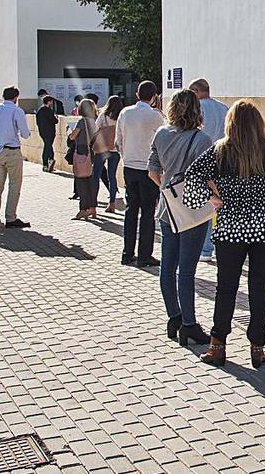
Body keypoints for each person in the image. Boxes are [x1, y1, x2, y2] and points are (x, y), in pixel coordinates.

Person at [182, 100, 265, 368]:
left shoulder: (220, 150)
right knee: (260, 287)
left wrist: (212, 196)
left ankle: (218, 345)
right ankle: (257, 348)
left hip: (230, 228)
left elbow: (191, 177)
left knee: (226, 287)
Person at [149, 89, 213, 346]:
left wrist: (167, 190)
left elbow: (152, 171)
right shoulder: (202, 139)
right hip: (193, 211)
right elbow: (208, 177)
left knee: (168, 265)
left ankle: (173, 317)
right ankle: (189, 324)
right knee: (187, 269)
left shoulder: (161, 134)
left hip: (168, 208)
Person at [116, 81, 165, 267]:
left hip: (129, 166)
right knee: (147, 212)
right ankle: (145, 255)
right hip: (148, 169)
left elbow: (118, 141)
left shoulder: (125, 113)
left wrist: (126, 157)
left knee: (131, 211)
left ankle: (127, 253)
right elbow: (162, 141)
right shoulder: (155, 116)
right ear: (154, 97)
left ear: (137, 94)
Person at [0, 86, 32, 230]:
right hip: (12, 151)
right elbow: (25, 133)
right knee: (14, 186)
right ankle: (10, 217)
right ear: (16, 97)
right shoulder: (17, 111)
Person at [190, 78, 228, 263]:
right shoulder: (223, 108)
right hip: (223, 161)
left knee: (205, 206)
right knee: (222, 206)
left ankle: (205, 249)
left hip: (203, 161)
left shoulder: (198, 109)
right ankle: (221, 245)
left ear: (196, 91)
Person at [69, 99, 100, 220]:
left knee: (81, 181)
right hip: (93, 152)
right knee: (91, 182)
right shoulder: (95, 121)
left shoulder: (82, 122)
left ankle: (83, 209)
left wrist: (69, 133)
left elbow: (73, 136)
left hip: (82, 151)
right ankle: (93, 208)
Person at [93, 96, 124, 213]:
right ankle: (111, 203)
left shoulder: (103, 116)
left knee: (96, 175)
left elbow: (95, 129)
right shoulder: (121, 117)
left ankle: (93, 203)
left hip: (102, 149)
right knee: (112, 176)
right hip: (115, 150)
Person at [35, 95, 58, 172]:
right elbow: (55, 121)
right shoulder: (49, 111)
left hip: (42, 131)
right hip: (50, 131)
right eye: (51, 101)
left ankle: (50, 160)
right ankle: (46, 164)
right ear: (48, 102)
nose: (52, 103)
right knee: (47, 147)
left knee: (48, 146)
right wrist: (55, 117)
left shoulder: (39, 111)